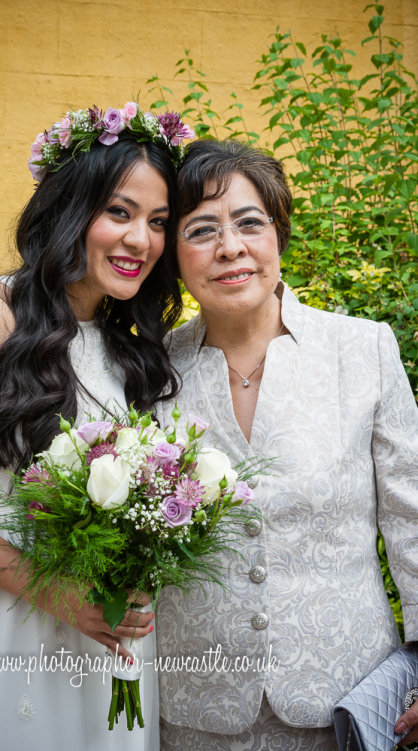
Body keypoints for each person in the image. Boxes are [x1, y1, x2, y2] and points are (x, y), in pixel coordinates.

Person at [0, 103, 193, 750]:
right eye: (119, 212)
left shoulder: (131, 348)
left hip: (107, 638)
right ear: (70, 208)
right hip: (1, 623)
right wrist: (59, 596)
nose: (141, 240)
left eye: (158, 222)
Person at [153, 140, 418, 750]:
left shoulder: (363, 350)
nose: (230, 247)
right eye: (201, 230)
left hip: (344, 704)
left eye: (250, 223)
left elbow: (412, 518)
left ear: (279, 235)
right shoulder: (148, 370)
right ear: (174, 254)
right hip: (193, 710)